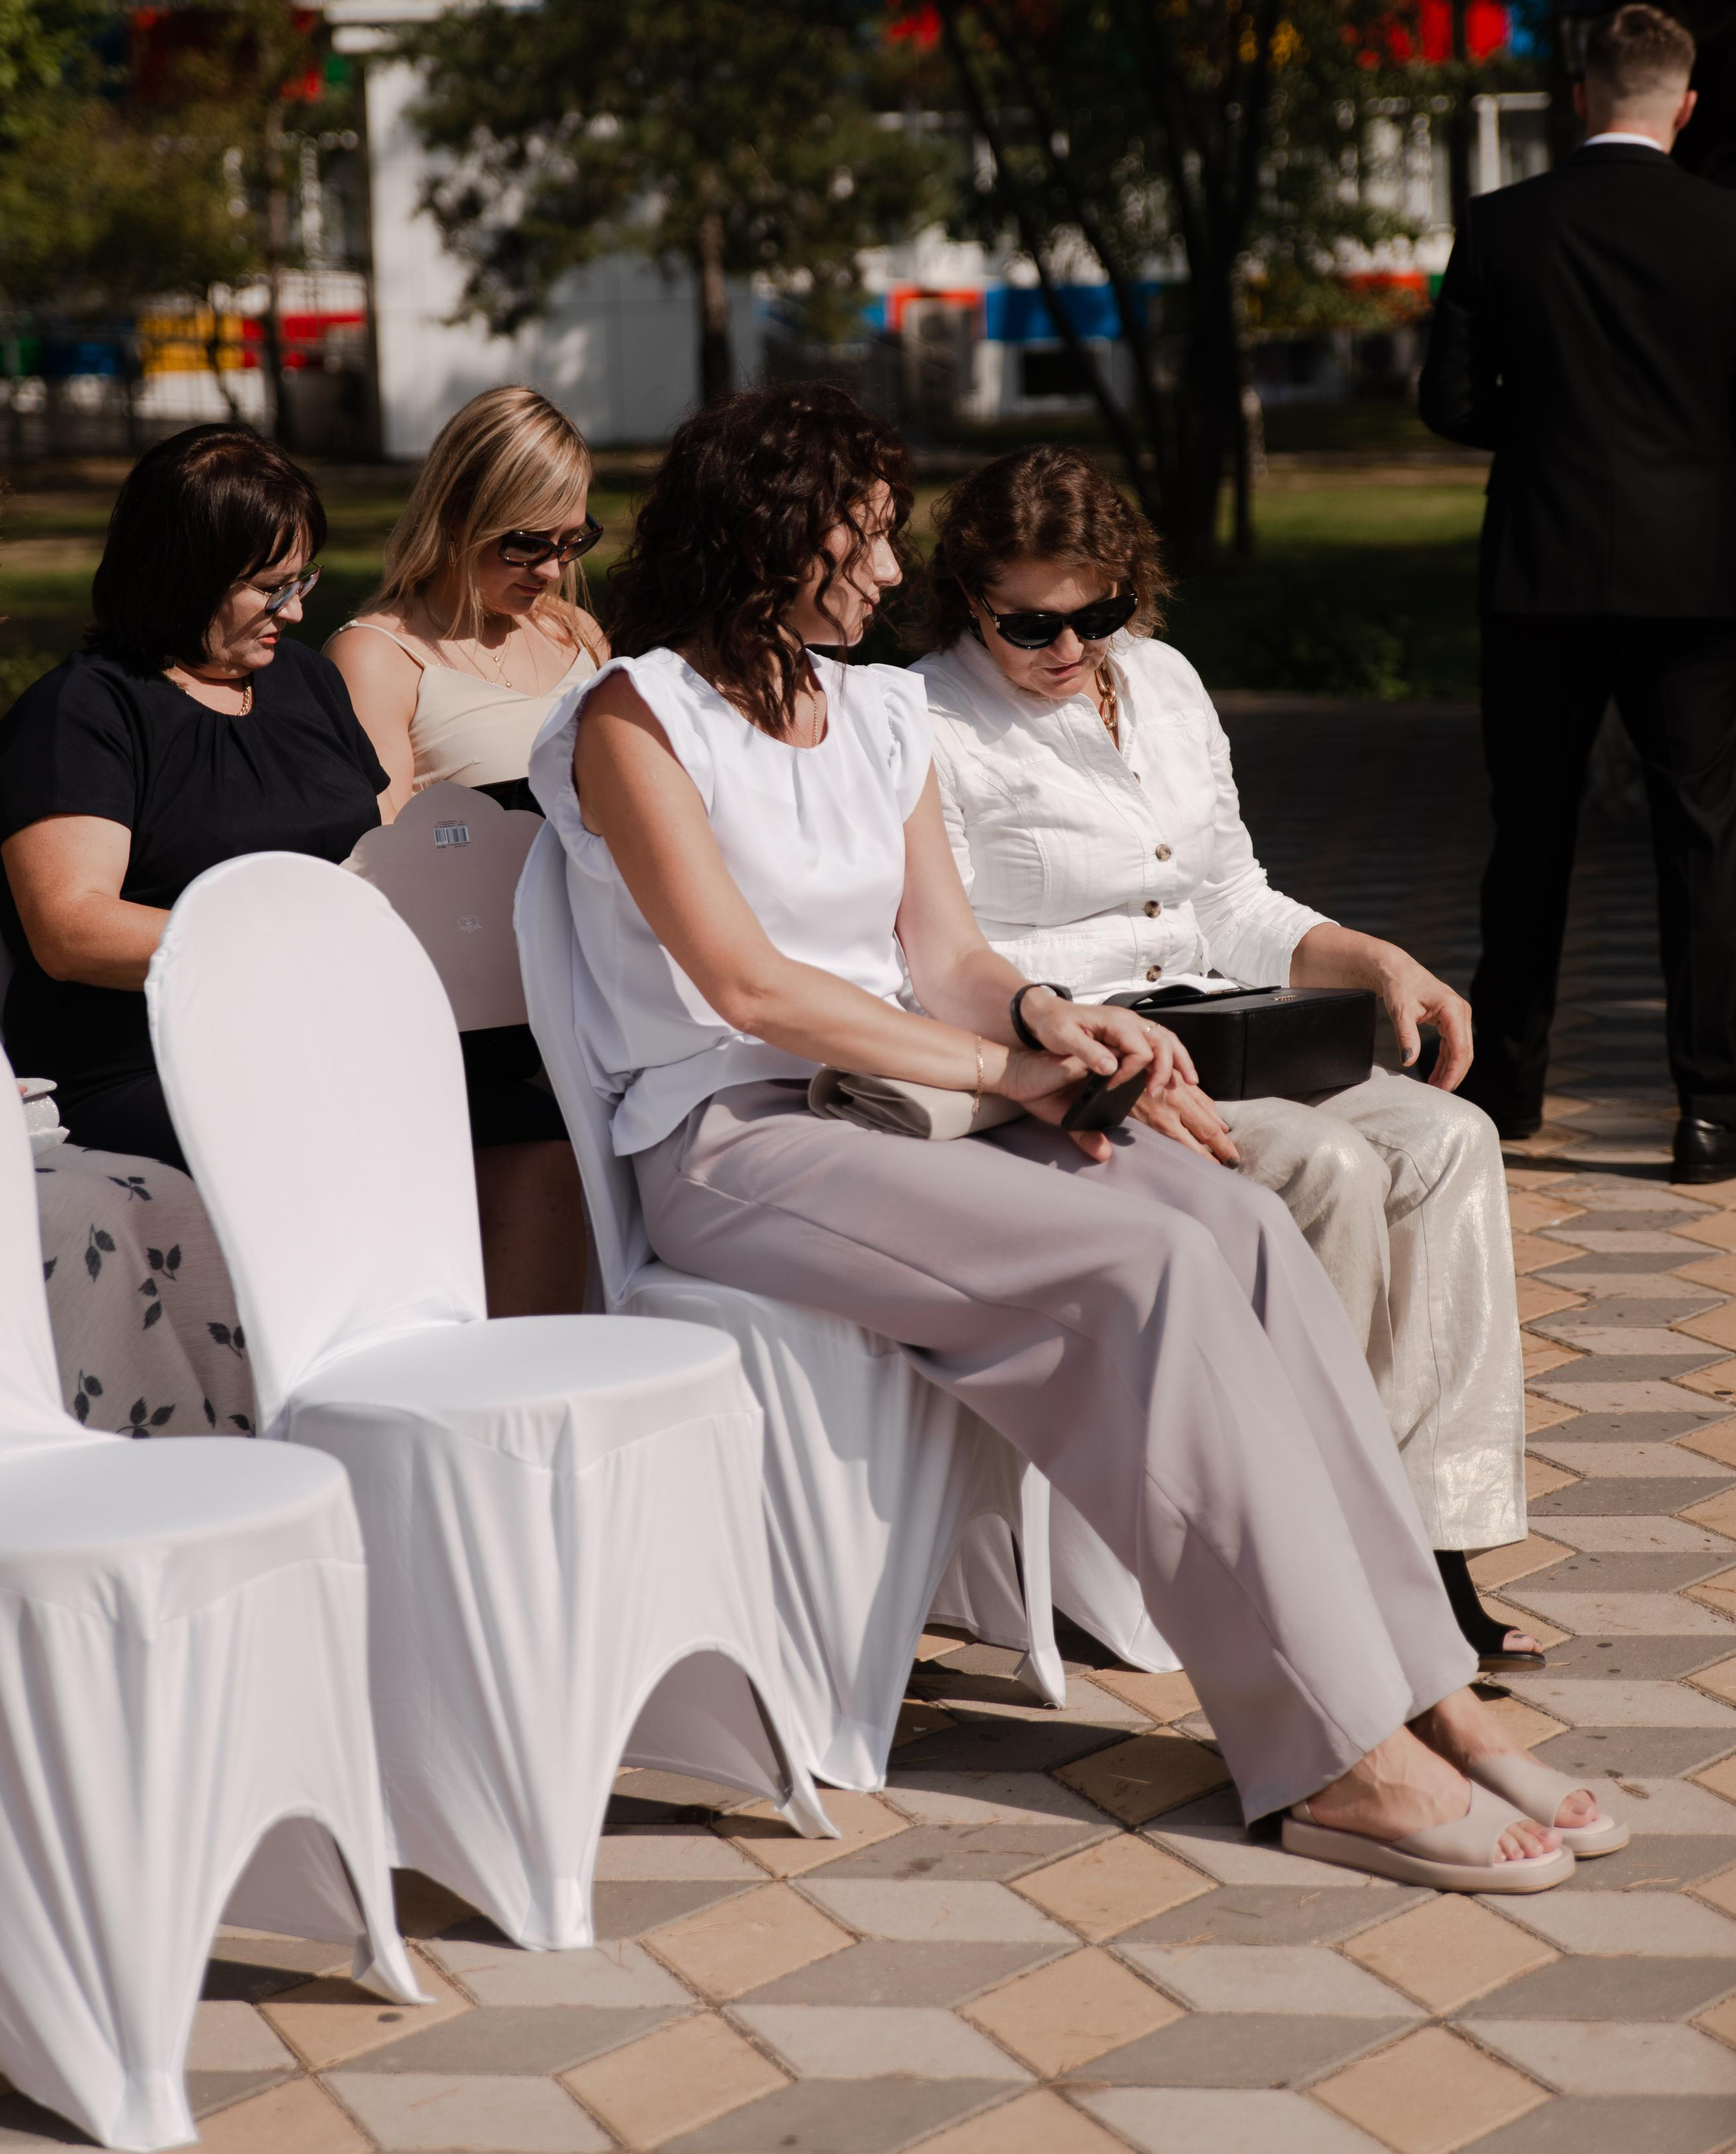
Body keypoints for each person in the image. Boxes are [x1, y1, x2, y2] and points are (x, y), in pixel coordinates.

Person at [526, 382, 1619, 1891]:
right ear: (766, 537)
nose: (891, 571)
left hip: (912, 1101)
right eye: (859, 537)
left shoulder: (875, 708)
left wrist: (1050, 1020)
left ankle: (1428, 1693)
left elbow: (954, 951)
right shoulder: (633, 715)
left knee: (1230, 1222)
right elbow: (748, 986)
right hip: (735, 1142)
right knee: (1146, 1270)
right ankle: (1331, 1756)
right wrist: (1001, 1064)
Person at [912, 444, 1531, 1670]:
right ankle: (1310, 1547)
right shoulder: (929, 718)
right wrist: (1077, 1024)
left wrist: (1368, 955)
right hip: (1088, 1055)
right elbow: (952, 955)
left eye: (1095, 612)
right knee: (1327, 1165)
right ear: (969, 598)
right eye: (1029, 624)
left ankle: (1429, 1535)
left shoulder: (1164, 680)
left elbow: (1229, 896)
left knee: (1452, 1137)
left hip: (1235, 1021)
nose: (1068, 646)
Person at [1420, 2, 1736, 1183]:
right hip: (1699, 580)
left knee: (1532, 836)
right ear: (1685, 105)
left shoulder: (1503, 225)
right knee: (1702, 840)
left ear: (1580, 97)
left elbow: (1448, 401)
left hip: (1543, 571)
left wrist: (1548, 430)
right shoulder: (1726, 229)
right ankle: (1711, 1109)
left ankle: (1508, 1088)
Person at [0, 423, 387, 1171]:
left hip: (320, 1036)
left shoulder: (305, 681)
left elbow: (371, 850)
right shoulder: (84, 712)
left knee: (523, 1126)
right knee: (345, 1135)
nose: (294, 612)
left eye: (304, 580)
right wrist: (283, 949)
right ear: (183, 575)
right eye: (270, 588)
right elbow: (72, 930)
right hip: (144, 1064)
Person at [328, 386, 601, 1313]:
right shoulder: (379, 655)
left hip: (596, 974)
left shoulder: (573, 636)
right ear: (458, 514)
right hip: (476, 1014)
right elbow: (383, 865)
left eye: (574, 541)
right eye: (526, 543)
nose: (553, 571)